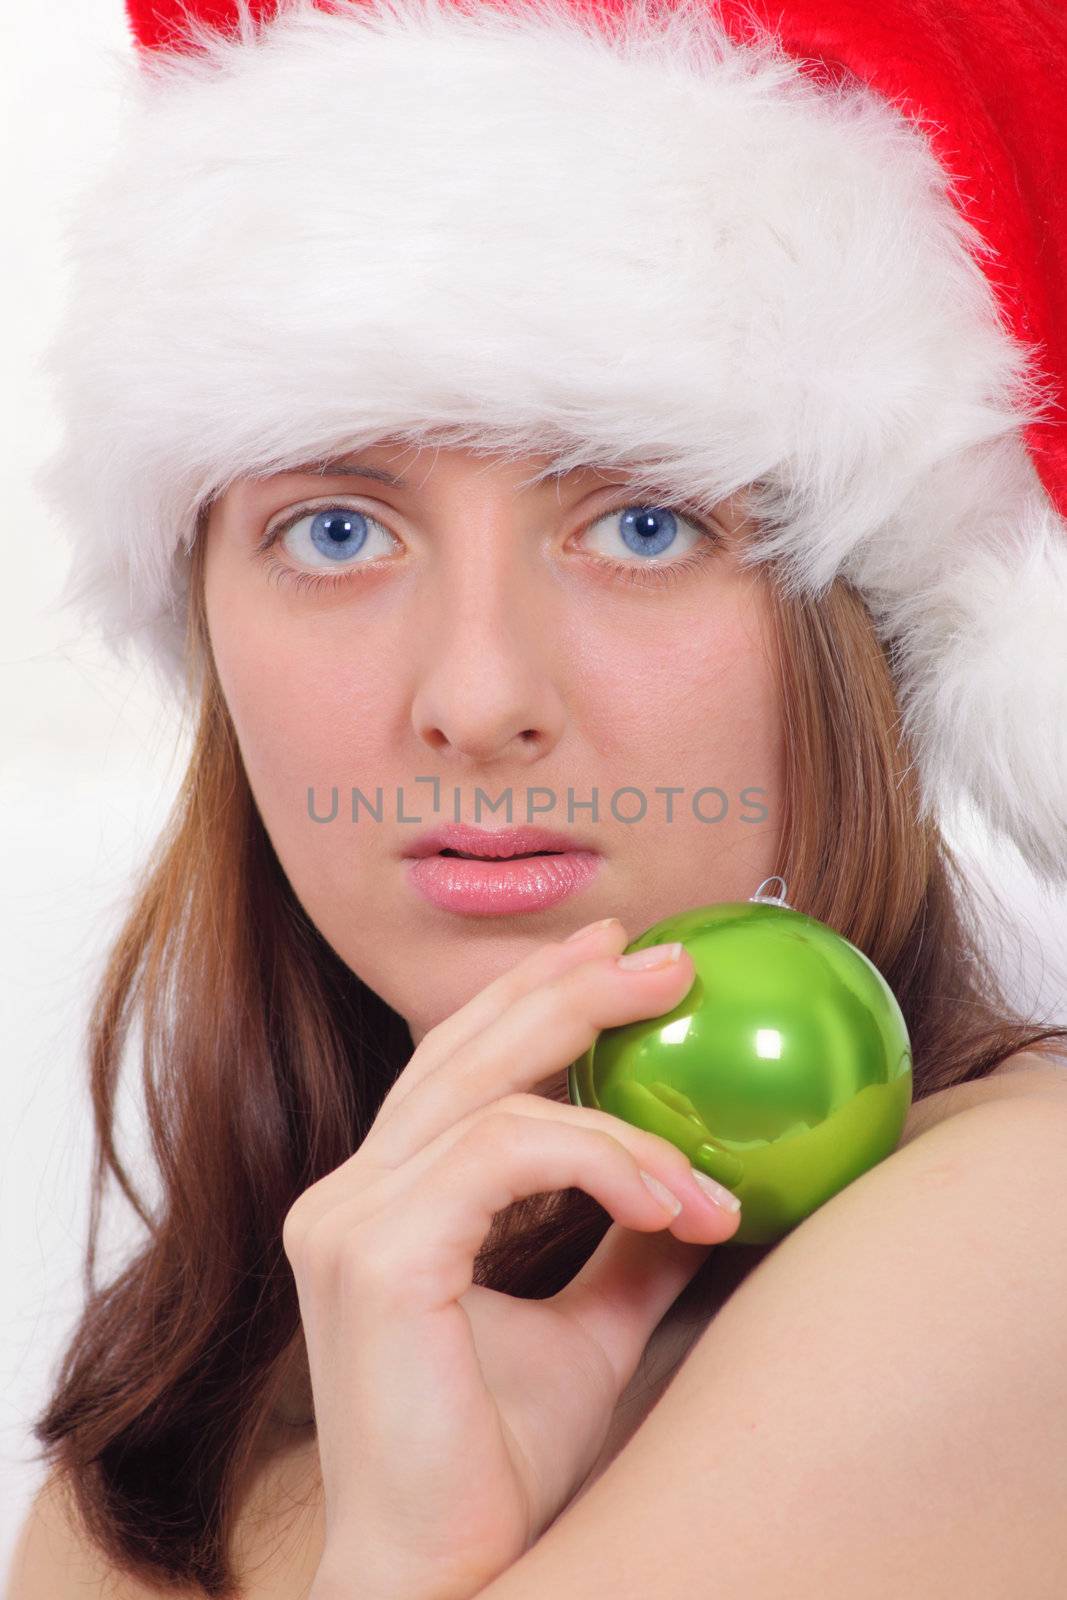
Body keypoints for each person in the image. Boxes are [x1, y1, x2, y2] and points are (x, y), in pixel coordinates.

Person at [8, 0, 1067, 1596]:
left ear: (853, 635)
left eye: (643, 523)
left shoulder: (1016, 1240)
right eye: (339, 531)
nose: (480, 698)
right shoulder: (165, 1451)